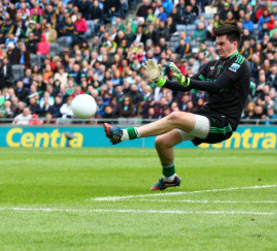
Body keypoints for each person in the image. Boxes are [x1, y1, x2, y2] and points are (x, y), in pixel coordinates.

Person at [103, 24, 251, 190]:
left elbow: (217, 85)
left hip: (224, 123)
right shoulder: (212, 65)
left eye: (222, 44)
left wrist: (187, 81)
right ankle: (170, 178)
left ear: (235, 44)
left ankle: (123, 134)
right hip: (207, 116)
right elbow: (186, 86)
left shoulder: (240, 63)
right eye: (217, 44)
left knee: (175, 117)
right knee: (161, 142)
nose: (218, 47)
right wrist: (161, 82)